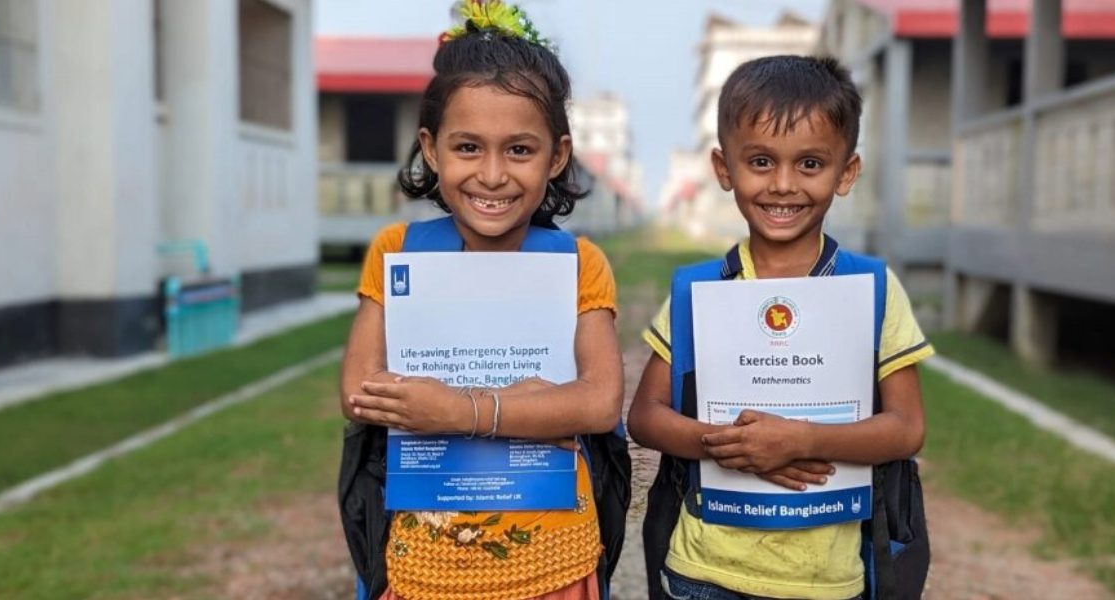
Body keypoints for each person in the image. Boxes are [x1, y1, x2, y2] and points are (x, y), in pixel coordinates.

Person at [338, 2, 624, 598]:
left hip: (552, 560)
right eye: (468, 147)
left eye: (519, 150)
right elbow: (359, 392)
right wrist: (525, 402)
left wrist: (462, 412)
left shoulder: (579, 265)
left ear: (558, 156)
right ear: (432, 148)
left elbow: (598, 404)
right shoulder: (398, 253)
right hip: (426, 564)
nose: (492, 175)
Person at [628, 55, 933, 600]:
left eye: (811, 164)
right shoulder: (699, 292)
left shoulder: (872, 289)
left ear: (847, 173)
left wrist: (803, 439)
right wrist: (731, 445)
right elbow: (645, 417)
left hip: (827, 581)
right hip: (705, 572)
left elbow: (907, 428)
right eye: (762, 161)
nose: (784, 185)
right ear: (725, 170)